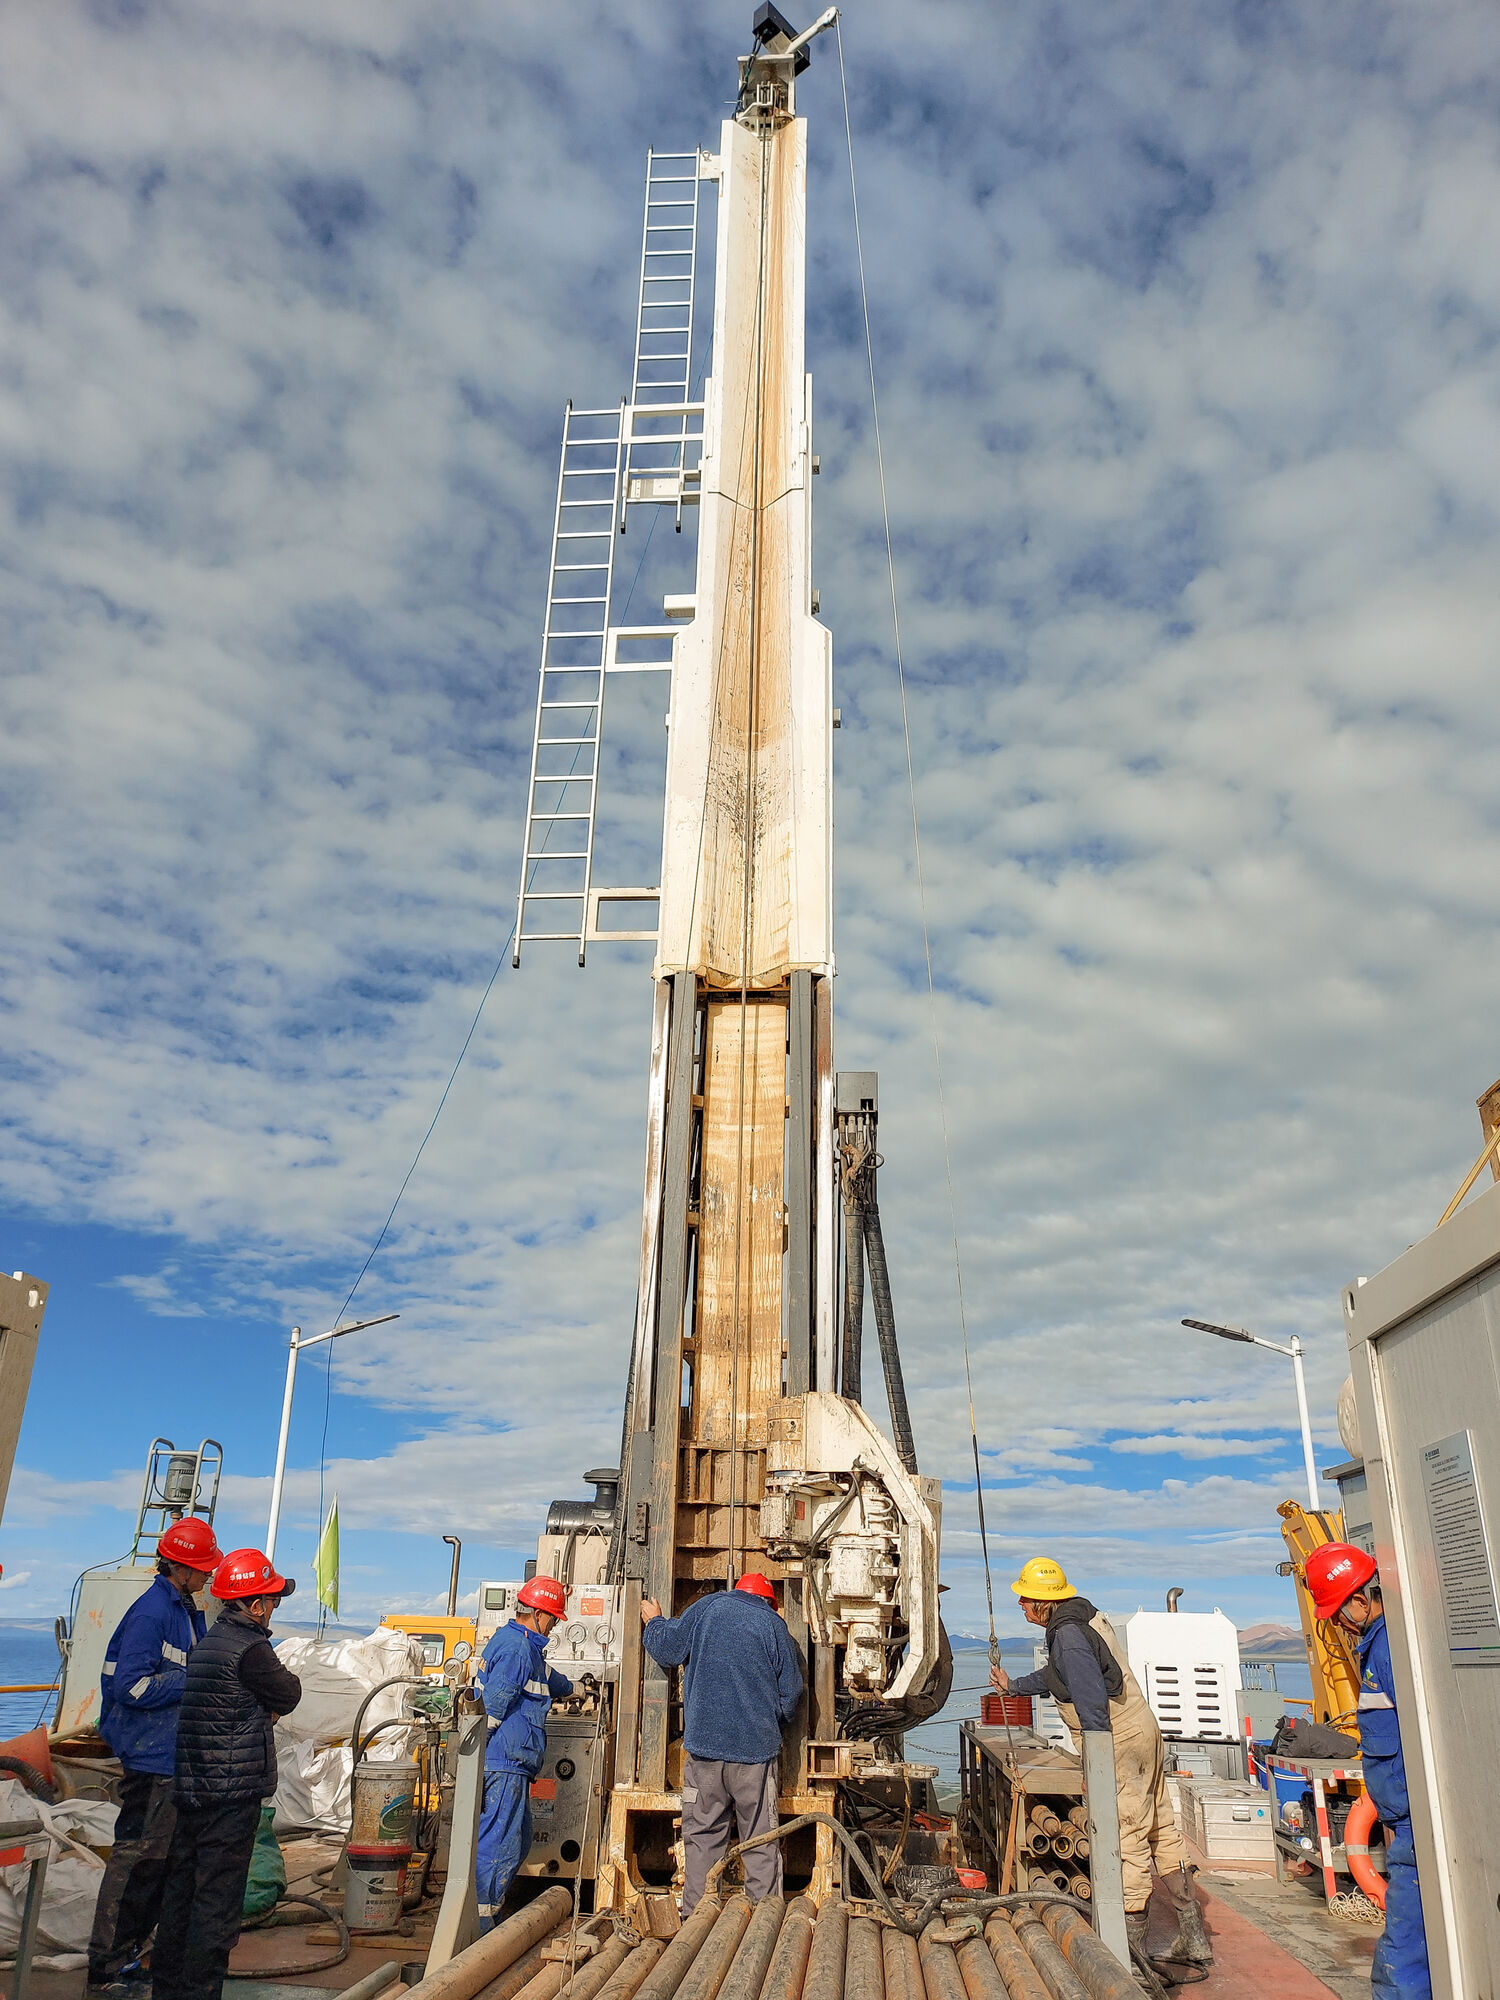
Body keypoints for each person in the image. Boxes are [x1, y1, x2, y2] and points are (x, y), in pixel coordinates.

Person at [990, 1557, 1211, 1970]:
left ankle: (1128, 1956)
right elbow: (1062, 1676)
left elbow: (1091, 1701)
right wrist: (1014, 1686)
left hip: (1118, 1741)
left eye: (1025, 1598)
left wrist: (1094, 1767)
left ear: (1044, 1602)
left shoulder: (1068, 1635)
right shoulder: (1081, 1621)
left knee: (1125, 1834)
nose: (1021, 1604)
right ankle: (1193, 1935)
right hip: (1140, 1732)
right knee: (1161, 1828)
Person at [150, 1548, 302, 2000]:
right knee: (217, 1909)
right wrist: (265, 1709)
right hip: (231, 1798)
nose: (273, 1608)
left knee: (180, 1899)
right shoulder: (252, 1649)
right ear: (254, 1605)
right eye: (271, 1600)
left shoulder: (210, 1641)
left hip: (194, 1789)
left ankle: (168, 1990)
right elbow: (288, 1692)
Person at [87, 1515, 223, 1996]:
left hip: (171, 1757)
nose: (208, 1576)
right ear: (180, 1568)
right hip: (150, 1759)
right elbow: (133, 1687)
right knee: (137, 1862)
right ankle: (107, 1966)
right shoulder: (152, 1613)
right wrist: (196, 1680)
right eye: (203, 1568)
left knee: (159, 1863)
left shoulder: (186, 1610)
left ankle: (134, 1954)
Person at [1306, 1542, 1430, 2000]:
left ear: (1361, 1600)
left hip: (1418, 1828)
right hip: (1405, 1823)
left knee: (1403, 1956)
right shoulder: (1378, 1645)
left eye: (1338, 1611)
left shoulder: (1388, 1650)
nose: (1337, 1622)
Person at [640, 1573, 805, 1914]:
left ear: (736, 1591)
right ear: (770, 1601)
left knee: (701, 1838)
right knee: (760, 1841)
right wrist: (772, 1721)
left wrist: (654, 1621)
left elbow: (668, 1649)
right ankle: (764, 1919)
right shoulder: (774, 1626)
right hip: (754, 1758)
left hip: (705, 1755)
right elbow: (792, 1694)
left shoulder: (707, 1607)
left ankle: (697, 1919)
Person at [475, 1575, 573, 1930]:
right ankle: (482, 1926)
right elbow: (495, 1705)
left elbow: (550, 1678)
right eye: (551, 1618)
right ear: (536, 1613)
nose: (553, 1626)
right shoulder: (518, 1649)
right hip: (503, 1762)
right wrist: (480, 1758)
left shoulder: (521, 1644)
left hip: (511, 1762)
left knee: (517, 1840)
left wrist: (574, 1688)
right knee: (499, 1843)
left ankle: (489, 1911)